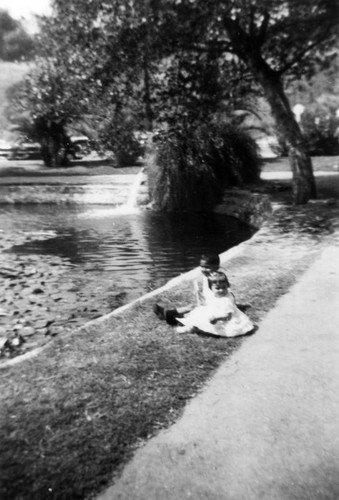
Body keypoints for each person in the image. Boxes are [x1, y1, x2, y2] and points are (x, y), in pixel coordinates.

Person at [153, 253, 230, 325]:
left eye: (207, 267)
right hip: (210, 303)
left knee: (194, 313)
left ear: (216, 267)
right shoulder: (207, 276)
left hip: (216, 306)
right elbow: (208, 292)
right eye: (202, 266)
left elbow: (224, 293)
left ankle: (173, 319)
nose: (203, 269)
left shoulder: (216, 279)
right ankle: (169, 313)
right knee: (191, 307)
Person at [176, 271, 255, 337]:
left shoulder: (226, 300)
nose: (221, 290)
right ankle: (190, 322)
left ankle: (191, 328)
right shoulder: (216, 295)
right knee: (199, 313)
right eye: (217, 288)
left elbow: (228, 316)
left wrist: (216, 318)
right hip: (215, 312)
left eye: (224, 287)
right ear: (211, 289)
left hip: (223, 318)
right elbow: (211, 303)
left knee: (205, 322)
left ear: (228, 286)